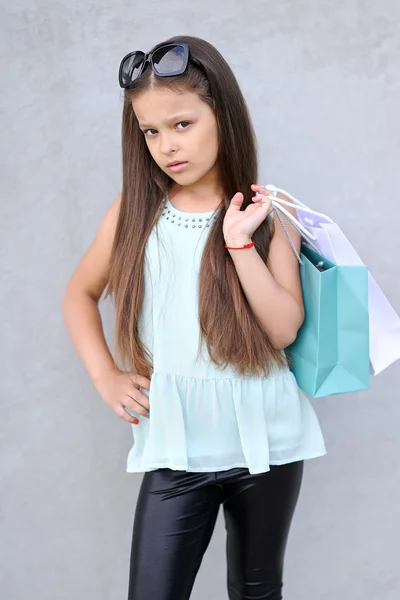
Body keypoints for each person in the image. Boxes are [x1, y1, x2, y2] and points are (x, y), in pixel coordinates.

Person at [62, 35, 326, 600]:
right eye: (150, 131)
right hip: (176, 446)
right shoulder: (135, 211)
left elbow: (282, 329)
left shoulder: (268, 211)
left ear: (221, 115)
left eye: (182, 124)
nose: (166, 146)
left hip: (267, 443)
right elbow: (79, 294)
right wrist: (106, 375)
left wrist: (238, 245)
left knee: (256, 589)